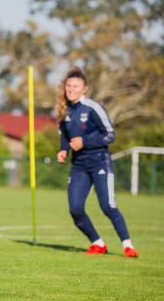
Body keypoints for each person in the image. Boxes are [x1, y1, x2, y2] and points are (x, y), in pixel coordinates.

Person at [56, 66, 138, 258]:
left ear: (85, 89)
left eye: (76, 86)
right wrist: (63, 150)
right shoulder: (64, 112)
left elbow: (110, 135)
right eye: (68, 85)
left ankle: (128, 246)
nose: (71, 89)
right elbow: (65, 139)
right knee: (75, 209)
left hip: (100, 162)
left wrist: (84, 141)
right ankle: (98, 243)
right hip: (79, 166)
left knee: (107, 206)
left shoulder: (93, 108)